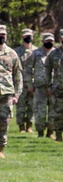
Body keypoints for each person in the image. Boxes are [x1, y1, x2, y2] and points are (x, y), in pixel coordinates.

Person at [45, 28, 63, 142]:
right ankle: (57, 135)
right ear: (60, 39)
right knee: (58, 112)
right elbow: (47, 70)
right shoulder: (54, 53)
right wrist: (49, 85)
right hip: (57, 87)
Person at [0, 25, 23, 158]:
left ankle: (1, 148)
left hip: (6, 94)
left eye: (3, 34)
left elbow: (18, 76)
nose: (1, 36)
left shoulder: (12, 54)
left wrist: (17, 94)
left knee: (4, 122)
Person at [29, 32, 55, 139]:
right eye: (47, 41)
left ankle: (50, 132)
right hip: (39, 87)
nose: (49, 42)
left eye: (51, 41)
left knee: (54, 111)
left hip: (54, 87)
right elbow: (28, 70)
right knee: (40, 111)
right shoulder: (35, 53)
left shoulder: (56, 53)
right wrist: (29, 84)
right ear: (42, 41)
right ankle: (40, 132)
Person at [14, 29, 34, 133]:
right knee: (21, 105)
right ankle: (21, 126)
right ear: (22, 37)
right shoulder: (17, 51)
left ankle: (29, 126)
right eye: (26, 36)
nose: (28, 38)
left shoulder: (36, 51)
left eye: (30, 36)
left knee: (31, 105)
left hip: (32, 82)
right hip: (20, 82)